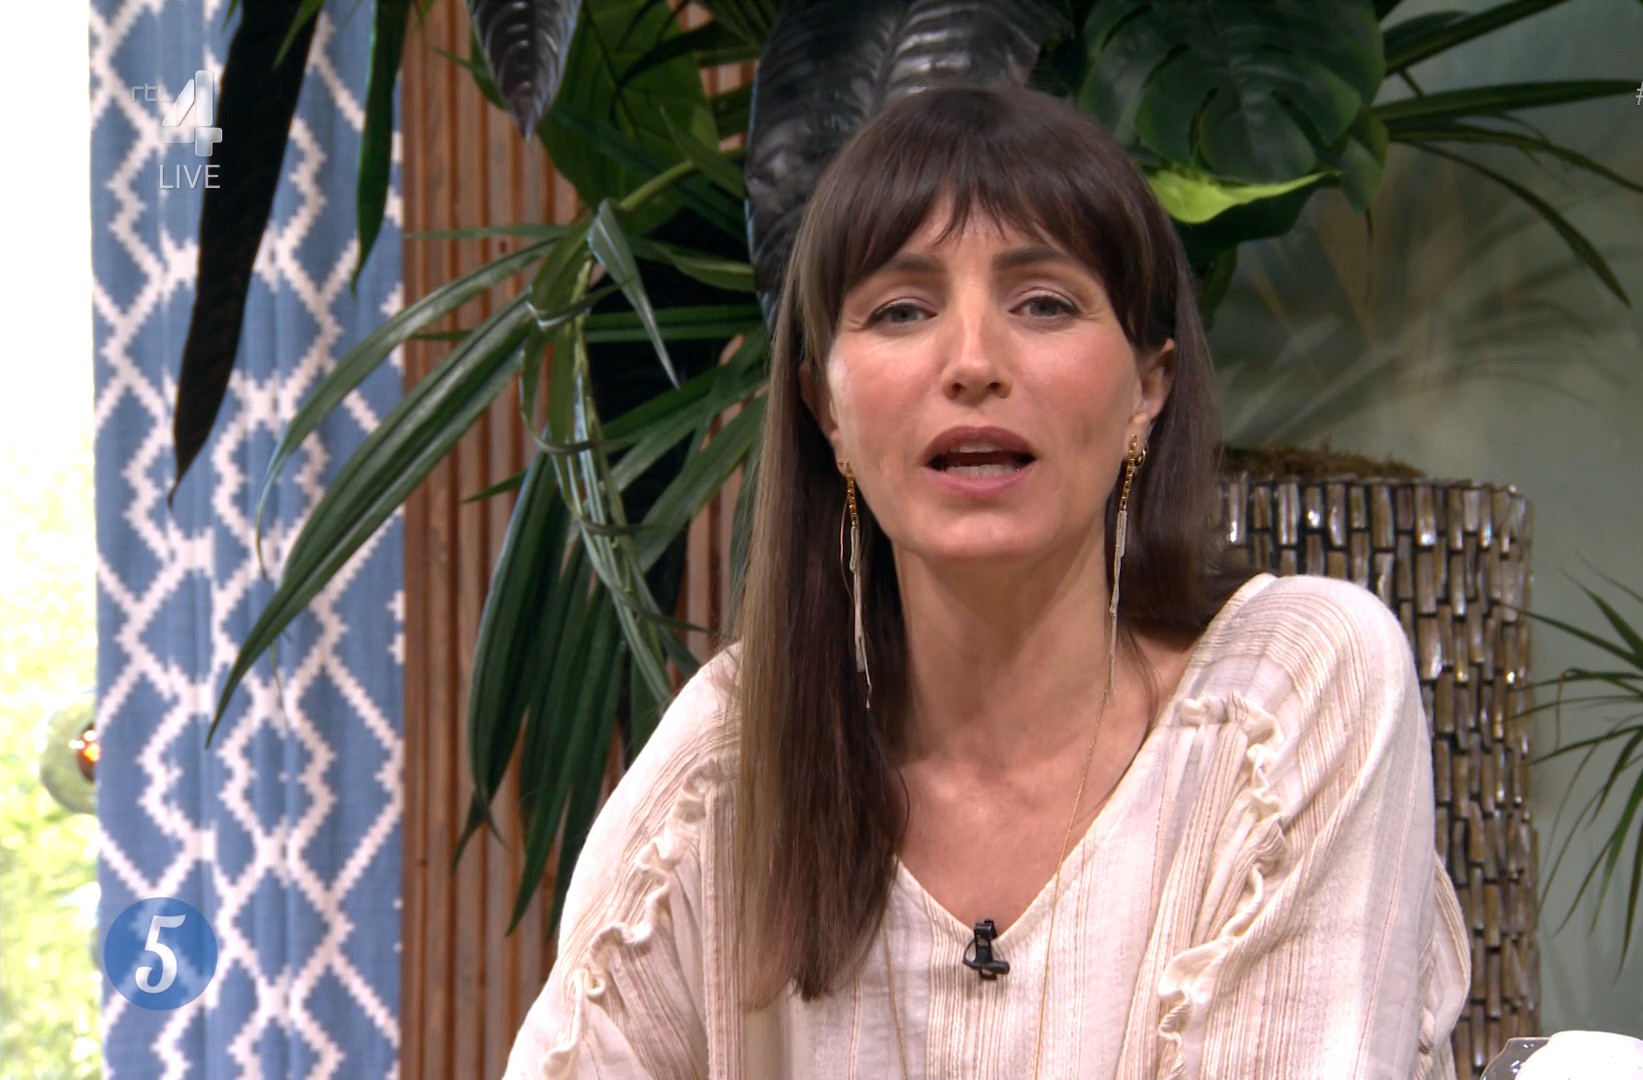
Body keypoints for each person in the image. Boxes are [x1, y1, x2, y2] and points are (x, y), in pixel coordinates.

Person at [504, 82, 1469, 1080]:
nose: (972, 363)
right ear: (824, 409)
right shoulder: (733, 760)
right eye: (902, 310)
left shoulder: (1289, 699)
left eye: (1043, 304)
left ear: (1149, 388)